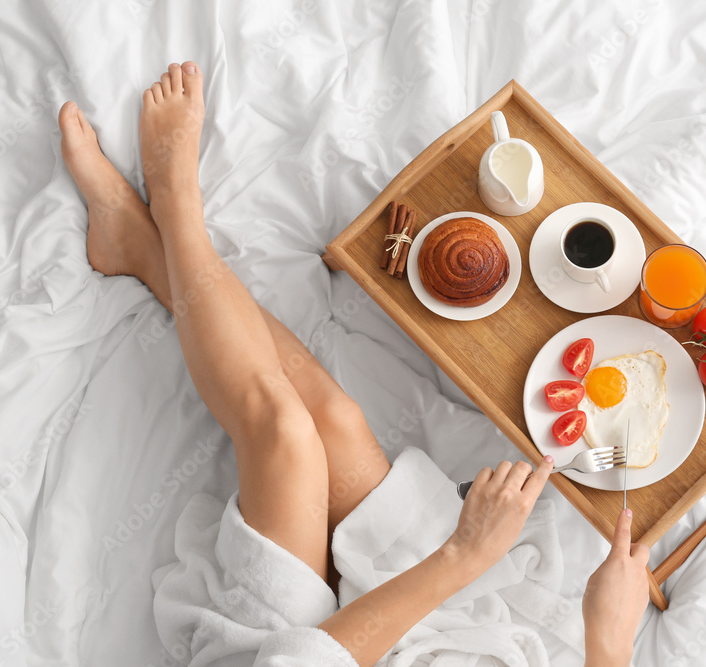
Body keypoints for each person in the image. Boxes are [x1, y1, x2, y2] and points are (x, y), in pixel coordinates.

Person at [57, 61, 650, 666]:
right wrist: (610, 643)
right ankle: (145, 253)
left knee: (284, 435)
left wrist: (466, 553)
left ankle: (174, 199)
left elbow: (305, 656)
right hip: (444, 641)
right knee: (332, 419)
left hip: (287, 655)